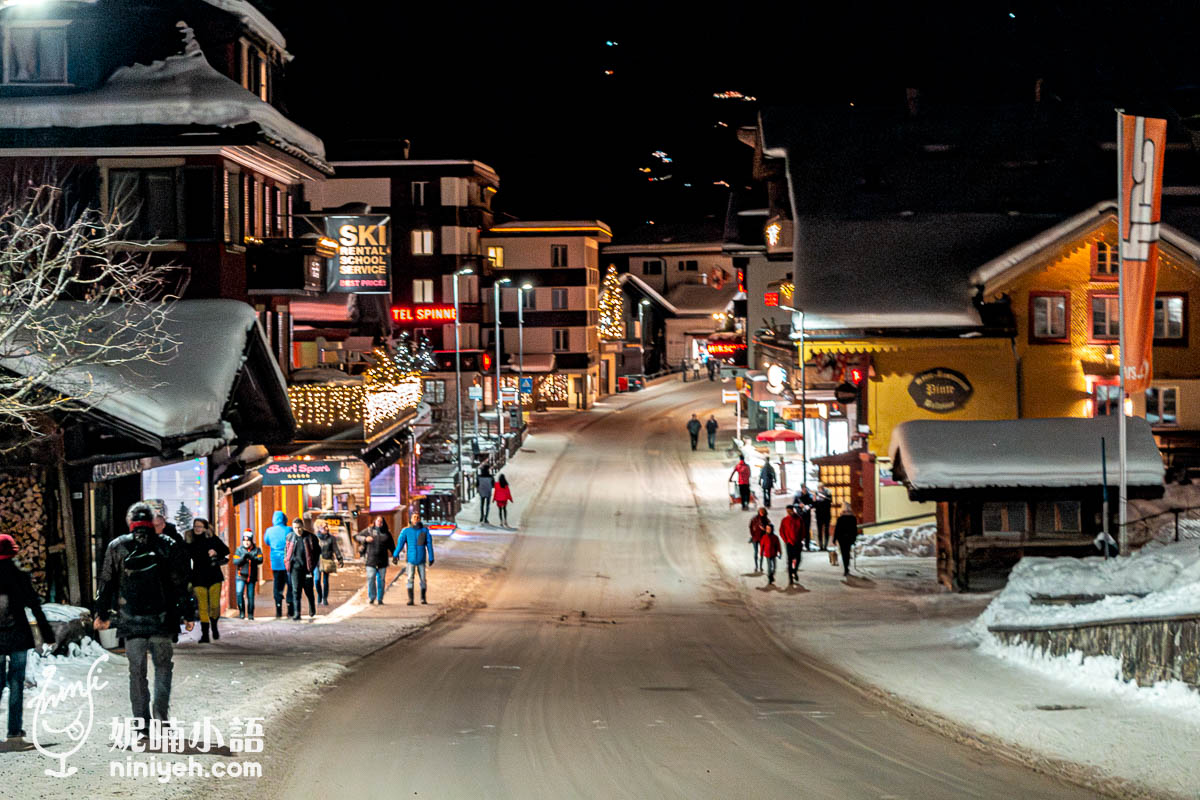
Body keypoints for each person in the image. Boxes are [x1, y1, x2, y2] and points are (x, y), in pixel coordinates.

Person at [94, 502, 195, 726]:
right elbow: (181, 585)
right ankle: (160, 716)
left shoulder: (117, 546)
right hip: (162, 621)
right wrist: (188, 614)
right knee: (162, 668)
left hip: (131, 621)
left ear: (131, 523)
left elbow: (106, 583)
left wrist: (102, 614)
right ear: (151, 522)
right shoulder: (168, 545)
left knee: (136, 672)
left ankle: (141, 720)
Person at [0, 533, 55, 744]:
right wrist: (47, 634)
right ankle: (14, 729)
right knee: (16, 682)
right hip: (17, 636)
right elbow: (35, 606)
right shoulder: (20, 575)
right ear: (13, 551)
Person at [185, 518, 228, 643]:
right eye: (195, 526)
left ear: (205, 528)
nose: (197, 529)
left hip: (214, 576)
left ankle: (214, 625)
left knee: (214, 605)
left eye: (199, 526)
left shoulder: (212, 539)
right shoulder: (189, 541)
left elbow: (226, 550)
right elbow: (183, 555)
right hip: (198, 577)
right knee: (202, 606)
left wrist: (215, 552)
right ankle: (205, 635)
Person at [393, 512, 436, 606]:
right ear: (411, 520)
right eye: (414, 517)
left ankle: (423, 598)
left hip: (421, 559)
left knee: (423, 579)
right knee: (410, 579)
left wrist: (431, 557)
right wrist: (395, 555)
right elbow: (400, 544)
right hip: (411, 559)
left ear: (419, 519)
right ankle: (411, 599)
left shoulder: (424, 531)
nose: (416, 519)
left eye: (417, 517)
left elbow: (429, 545)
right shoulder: (406, 531)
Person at [285, 518, 319, 619]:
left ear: (303, 527)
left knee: (308, 590)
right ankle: (297, 613)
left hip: (307, 568)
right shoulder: (290, 537)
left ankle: (312, 607)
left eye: (299, 528)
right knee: (296, 591)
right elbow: (286, 550)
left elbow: (317, 552)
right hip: (295, 568)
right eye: (295, 528)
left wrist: (312, 566)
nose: (297, 530)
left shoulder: (310, 537)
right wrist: (286, 561)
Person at [356, 517, 395, 604]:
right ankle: (372, 597)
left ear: (383, 523)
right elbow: (357, 536)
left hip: (383, 561)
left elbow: (392, 546)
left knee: (381, 580)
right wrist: (365, 539)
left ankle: (380, 598)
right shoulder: (369, 531)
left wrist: (395, 556)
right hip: (371, 559)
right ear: (375, 521)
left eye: (381, 521)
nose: (379, 523)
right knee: (371, 578)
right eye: (378, 520)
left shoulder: (387, 533)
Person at [264, 510, 293, 618]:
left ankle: (278, 609)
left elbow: (266, 541)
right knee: (290, 585)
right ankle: (290, 609)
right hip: (288, 562)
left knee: (277, 586)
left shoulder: (269, 531)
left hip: (275, 563)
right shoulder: (289, 530)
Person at [233, 531, 262, 620]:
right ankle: (242, 613)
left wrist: (252, 557)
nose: (246, 542)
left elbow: (260, 559)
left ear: (251, 541)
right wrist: (244, 557)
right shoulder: (239, 550)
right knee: (239, 594)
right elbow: (235, 561)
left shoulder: (257, 549)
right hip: (240, 576)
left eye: (248, 540)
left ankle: (250, 614)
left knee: (250, 596)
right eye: (244, 540)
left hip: (251, 576)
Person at [314, 521, 344, 606]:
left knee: (325, 581)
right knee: (317, 580)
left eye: (327, 527)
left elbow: (336, 549)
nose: (326, 528)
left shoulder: (331, 538)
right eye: (324, 527)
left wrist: (340, 559)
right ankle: (319, 595)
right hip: (317, 562)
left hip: (327, 561)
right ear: (319, 528)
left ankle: (324, 598)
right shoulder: (315, 538)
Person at [833, 501, 859, 578]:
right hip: (849, 538)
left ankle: (846, 567)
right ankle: (847, 566)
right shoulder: (853, 518)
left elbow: (837, 529)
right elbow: (855, 529)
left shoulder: (841, 518)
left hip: (842, 538)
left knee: (844, 553)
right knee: (847, 552)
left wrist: (834, 538)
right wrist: (854, 538)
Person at [779, 504, 803, 586]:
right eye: (787, 511)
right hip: (789, 543)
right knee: (789, 561)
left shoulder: (799, 519)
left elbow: (803, 530)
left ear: (793, 510)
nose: (789, 512)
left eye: (790, 511)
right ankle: (790, 579)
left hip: (797, 542)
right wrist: (785, 540)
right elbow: (781, 531)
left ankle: (794, 571)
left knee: (798, 559)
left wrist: (801, 539)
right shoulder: (785, 520)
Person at [748, 507, 769, 573]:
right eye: (761, 512)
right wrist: (752, 535)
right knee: (756, 552)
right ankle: (756, 566)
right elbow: (750, 527)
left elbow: (769, 529)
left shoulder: (766, 520)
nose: (762, 513)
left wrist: (764, 530)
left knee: (761, 552)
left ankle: (760, 566)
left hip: (762, 538)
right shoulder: (754, 519)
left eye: (763, 512)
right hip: (755, 538)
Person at [793, 485, 814, 550]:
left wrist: (808, 506)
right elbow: (794, 504)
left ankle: (807, 546)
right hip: (800, 515)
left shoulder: (809, 496)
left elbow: (812, 504)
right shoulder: (798, 496)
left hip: (807, 515)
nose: (804, 490)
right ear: (802, 489)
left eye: (805, 489)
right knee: (800, 531)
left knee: (807, 530)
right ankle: (800, 545)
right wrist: (799, 505)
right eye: (803, 489)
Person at [813, 484, 833, 551]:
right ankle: (821, 546)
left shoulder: (828, 493)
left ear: (823, 487)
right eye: (818, 488)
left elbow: (830, 501)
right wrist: (814, 500)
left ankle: (825, 546)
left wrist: (823, 497)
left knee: (826, 531)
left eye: (820, 488)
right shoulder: (816, 493)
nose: (819, 489)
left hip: (826, 515)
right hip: (819, 515)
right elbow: (814, 505)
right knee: (819, 531)